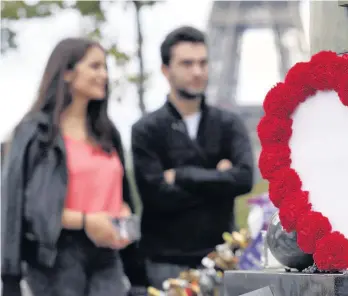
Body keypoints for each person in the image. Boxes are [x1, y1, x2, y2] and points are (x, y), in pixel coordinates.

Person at [1, 38, 138, 296]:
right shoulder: (35, 133)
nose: (104, 75)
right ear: (67, 72)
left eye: (105, 68)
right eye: (95, 67)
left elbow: (120, 193)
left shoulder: (108, 133)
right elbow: (20, 207)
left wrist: (122, 214)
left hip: (108, 258)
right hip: (56, 256)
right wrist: (87, 221)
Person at [131, 26, 254, 289]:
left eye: (202, 63)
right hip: (166, 262)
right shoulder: (146, 130)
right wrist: (220, 179)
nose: (197, 71)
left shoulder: (228, 123)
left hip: (223, 258)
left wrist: (181, 175)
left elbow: (244, 179)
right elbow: (156, 196)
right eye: (187, 63)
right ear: (166, 70)